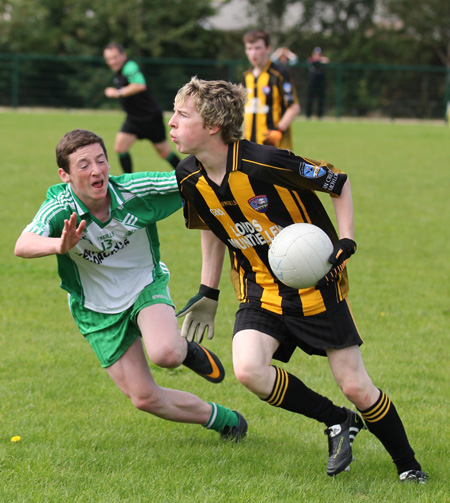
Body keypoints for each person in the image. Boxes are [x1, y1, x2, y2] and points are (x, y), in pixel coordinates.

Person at [168, 77, 428, 483]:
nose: (172, 123)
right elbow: (212, 226)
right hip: (259, 290)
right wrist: (208, 290)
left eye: (182, 115)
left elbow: (337, 183)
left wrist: (346, 238)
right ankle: (338, 421)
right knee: (249, 369)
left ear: (213, 125)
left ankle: (408, 465)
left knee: (357, 387)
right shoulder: (188, 176)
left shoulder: (264, 161)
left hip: (316, 289)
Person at [14, 128, 247, 442]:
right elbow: (23, 244)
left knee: (165, 354)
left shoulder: (134, 190)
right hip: (95, 309)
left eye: (101, 160)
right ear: (65, 175)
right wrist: (59, 245)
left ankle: (181, 350)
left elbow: (196, 179)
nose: (96, 171)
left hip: (143, 285)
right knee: (144, 398)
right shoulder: (59, 208)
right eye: (83, 165)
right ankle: (225, 420)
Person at [103, 43, 180, 173]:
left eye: (115, 57)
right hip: (133, 119)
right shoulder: (119, 72)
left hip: (150, 118)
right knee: (120, 148)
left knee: (164, 152)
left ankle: (189, 177)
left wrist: (117, 92)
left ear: (123, 55)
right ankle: (129, 183)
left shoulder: (130, 66)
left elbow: (139, 85)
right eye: (109, 59)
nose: (112, 62)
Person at [243, 30, 300, 150]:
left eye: (257, 48)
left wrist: (279, 129)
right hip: (250, 146)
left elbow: (294, 107)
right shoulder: (247, 77)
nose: (253, 53)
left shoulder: (279, 74)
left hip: (275, 146)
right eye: (249, 48)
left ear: (268, 49)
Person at [306, 47, 329, 119]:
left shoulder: (323, 61)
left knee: (321, 98)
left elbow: (326, 61)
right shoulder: (310, 60)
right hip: (312, 81)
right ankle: (308, 115)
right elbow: (311, 61)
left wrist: (320, 60)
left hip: (320, 82)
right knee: (310, 98)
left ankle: (320, 115)